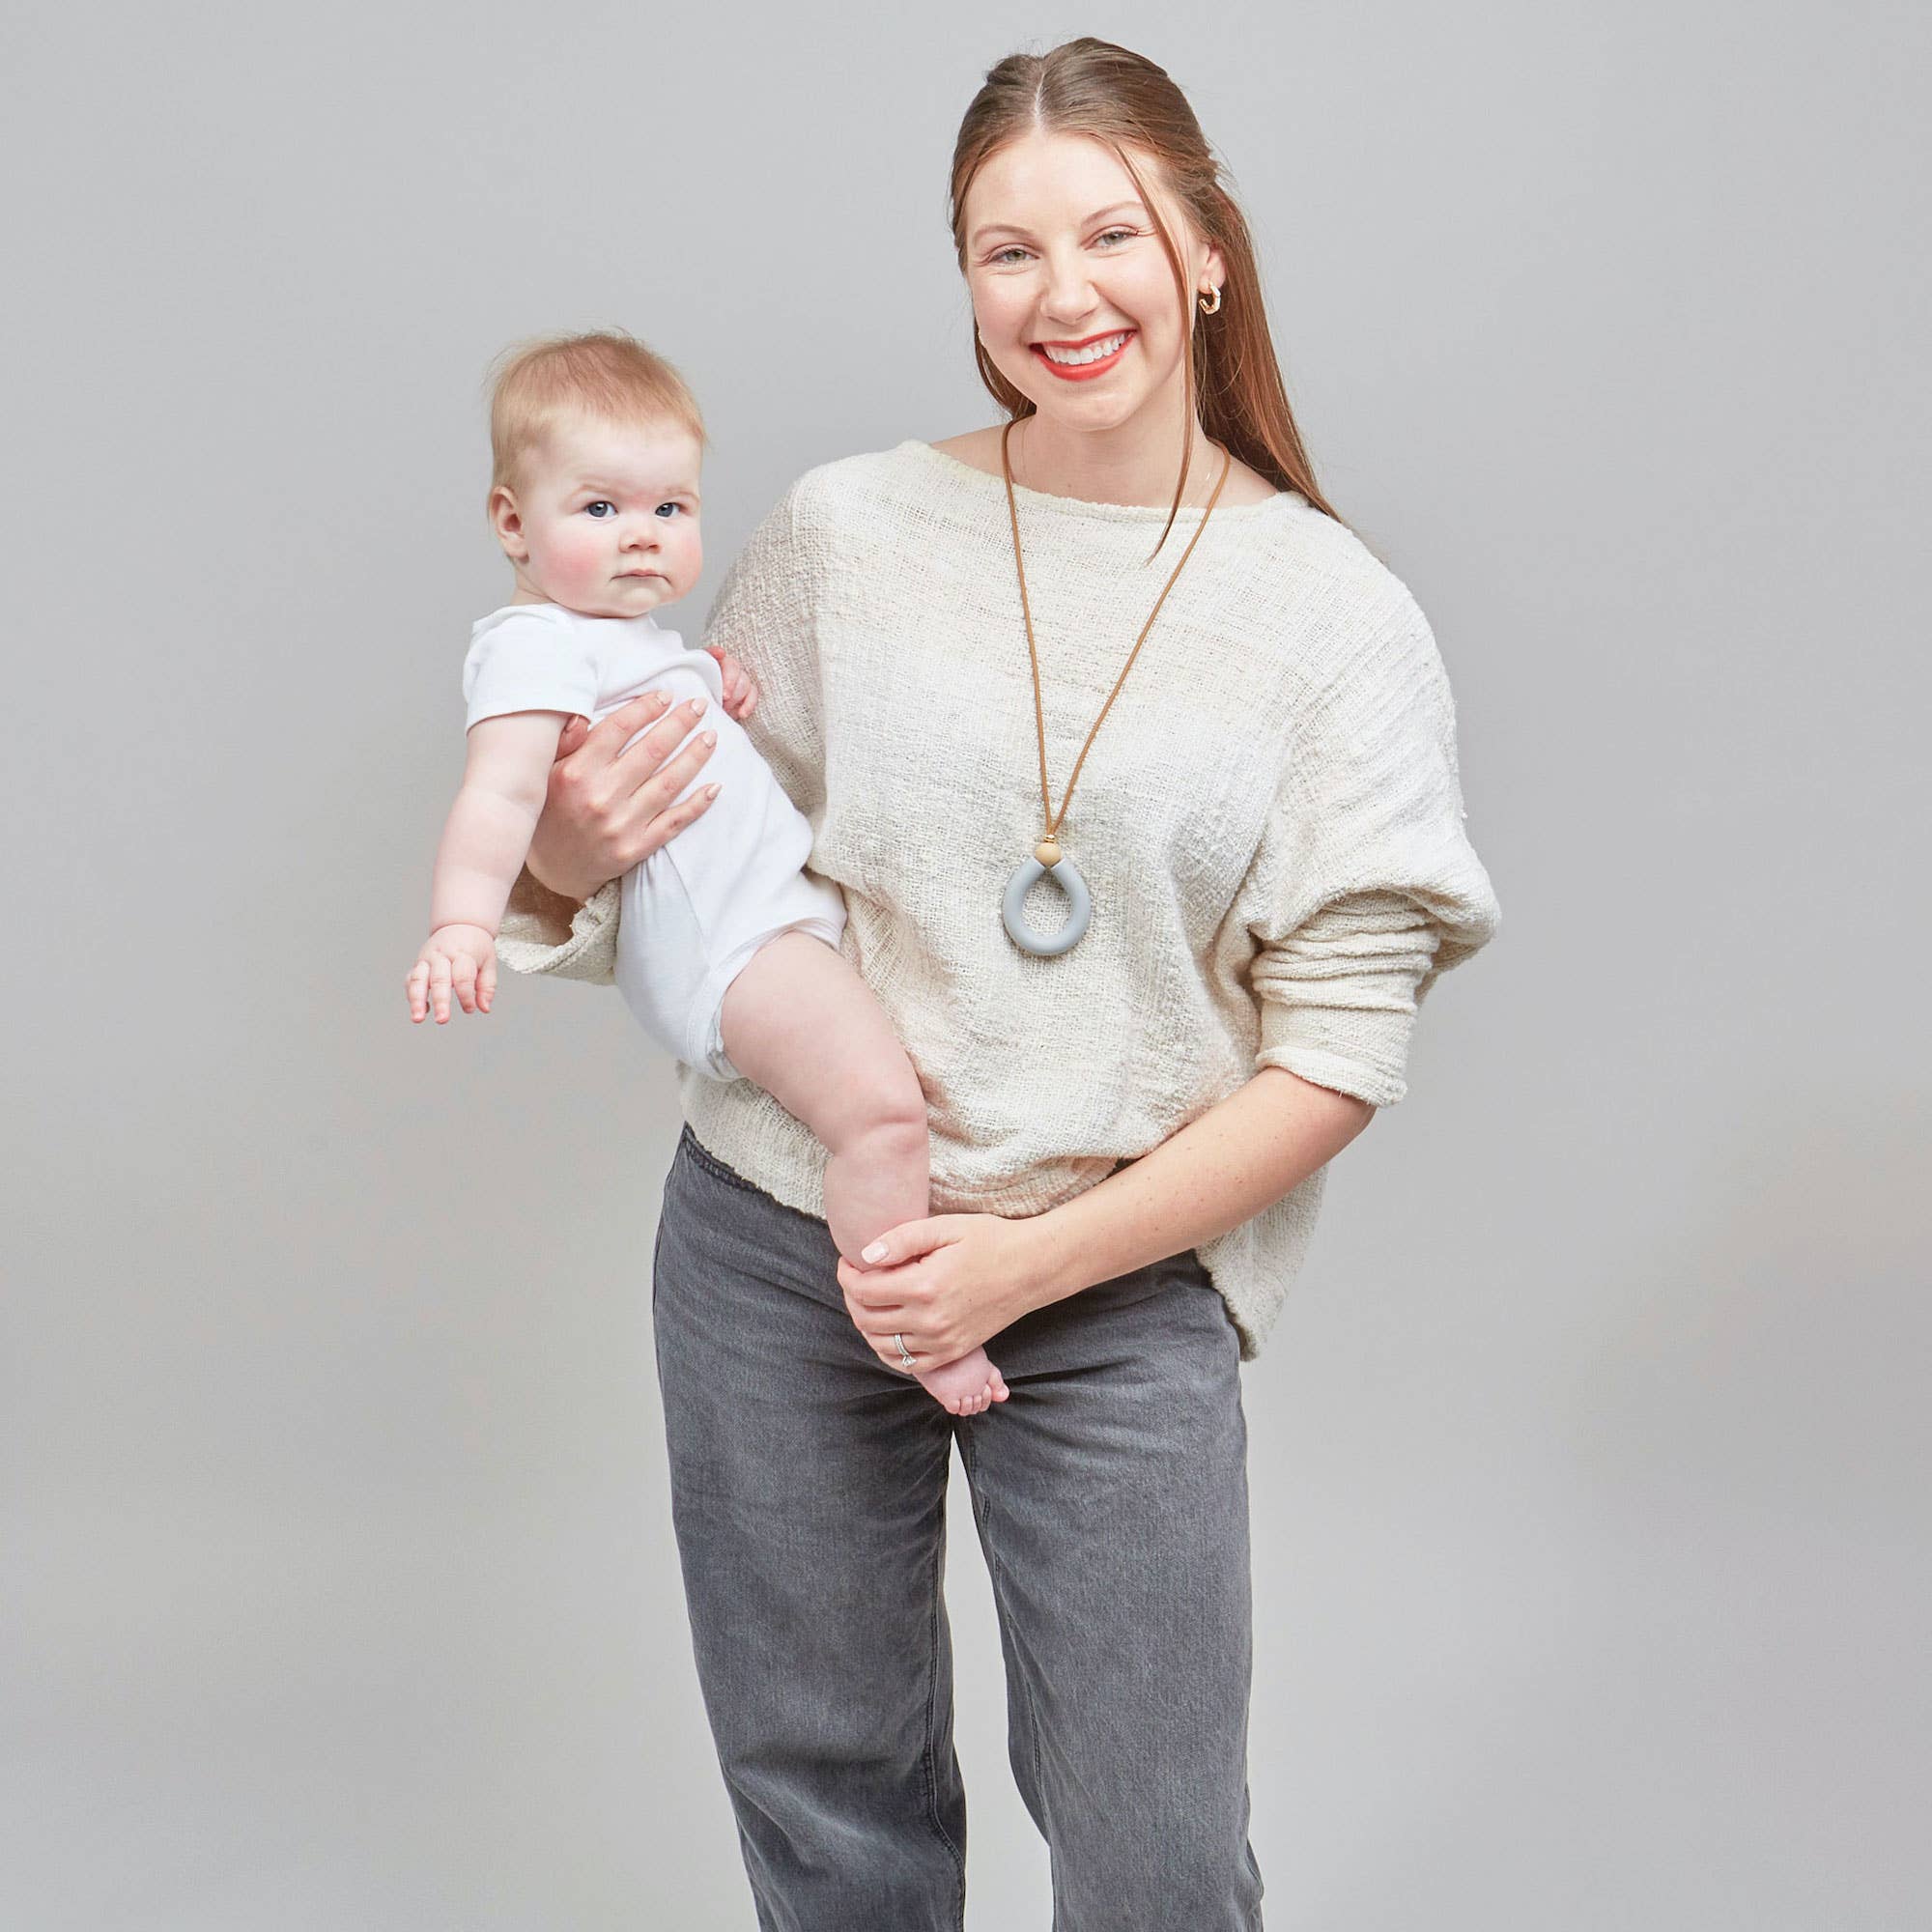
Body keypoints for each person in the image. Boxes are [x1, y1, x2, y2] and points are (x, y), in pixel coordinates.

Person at [497, 37, 1502, 1930]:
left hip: (1111, 1276)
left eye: (1107, 234)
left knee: (1152, 1843)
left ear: (1204, 249)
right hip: (777, 1242)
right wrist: (563, 845)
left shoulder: (1338, 623)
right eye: (1002, 250)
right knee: (824, 1798)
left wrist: (1029, 1262)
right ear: (961, 277)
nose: (1062, 296)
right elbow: (688, 886)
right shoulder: (845, 532)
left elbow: (1341, 1055)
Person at [405, 331, 1007, 1417]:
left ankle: (898, 1294)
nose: (641, 537)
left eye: (669, 509)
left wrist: (706, 680)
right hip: (733, 952)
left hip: (759, 926)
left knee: (892, 1093)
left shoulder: (626, 641)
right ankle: (905, 1320)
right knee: (882, 1116)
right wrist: (461, 921)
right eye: (599, 510)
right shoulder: (533, 647)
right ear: (511, 523)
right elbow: (499, 793)